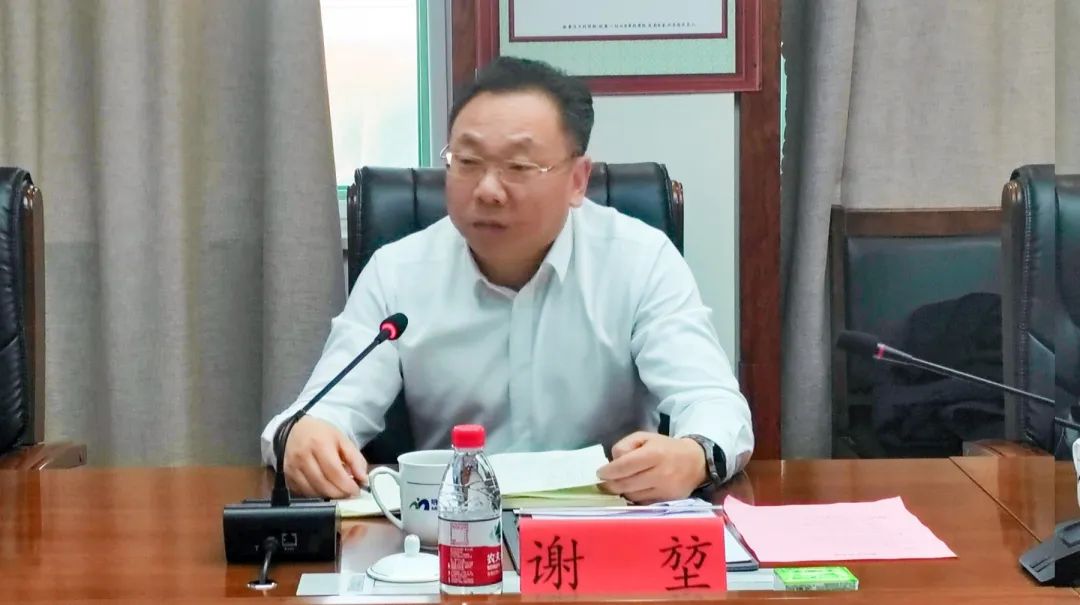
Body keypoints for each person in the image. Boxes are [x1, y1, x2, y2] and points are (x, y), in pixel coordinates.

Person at [261, 56, 753, 504]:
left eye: (518, 166)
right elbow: (318, 413)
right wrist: (302, 437)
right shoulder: (398, 272)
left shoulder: (639, 260)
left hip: (602, 528)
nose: (488, 190)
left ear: (577, 180)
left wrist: (693, 455)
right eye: (468, 162)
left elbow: (713, 403)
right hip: (450, 530)